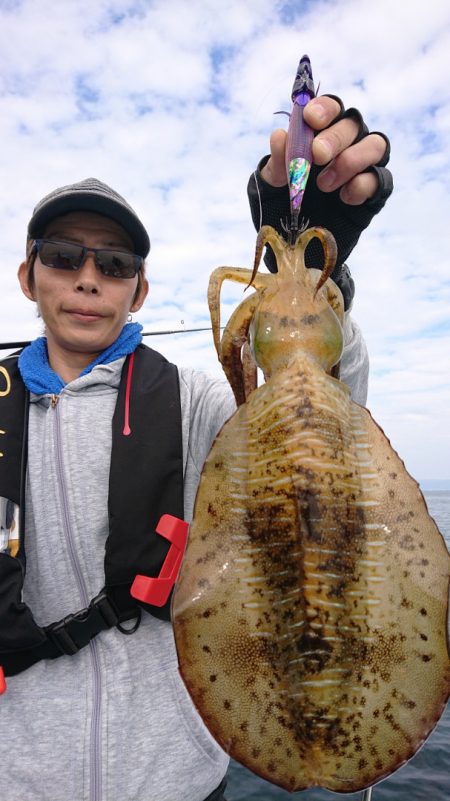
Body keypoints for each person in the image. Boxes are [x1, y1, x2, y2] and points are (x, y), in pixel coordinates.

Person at [0, 94, 392, 801]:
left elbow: (325, 423)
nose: (89, 277)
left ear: (139, 289)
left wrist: (323, 294)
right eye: (63, 257)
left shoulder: (194, 402)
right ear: (28, 277)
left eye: (114, 263)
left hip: (176, 777)